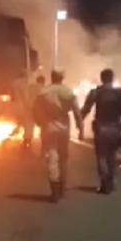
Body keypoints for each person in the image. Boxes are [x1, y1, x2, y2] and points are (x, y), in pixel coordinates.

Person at [34, 69, 83, 202]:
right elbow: (77, 112)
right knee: (63, 158)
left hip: (48, 126)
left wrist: (39, 123)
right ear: (62, 77)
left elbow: (36, 110)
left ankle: (54, 192)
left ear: (52, 77)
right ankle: (62, 189)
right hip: (64, 127)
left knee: (52, 158)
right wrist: (80, 128)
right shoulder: (68, 92)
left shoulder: (44, 92)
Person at [81, 69, 121, 194]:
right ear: (112, 78)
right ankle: (113, 181)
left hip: (101, 128)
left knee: (102, 156)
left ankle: (104, 183)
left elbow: (85, 109)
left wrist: (80, 122)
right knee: (112, 155)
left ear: (101, 78)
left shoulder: (96, 92)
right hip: (116, 127)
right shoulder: (119, 93)